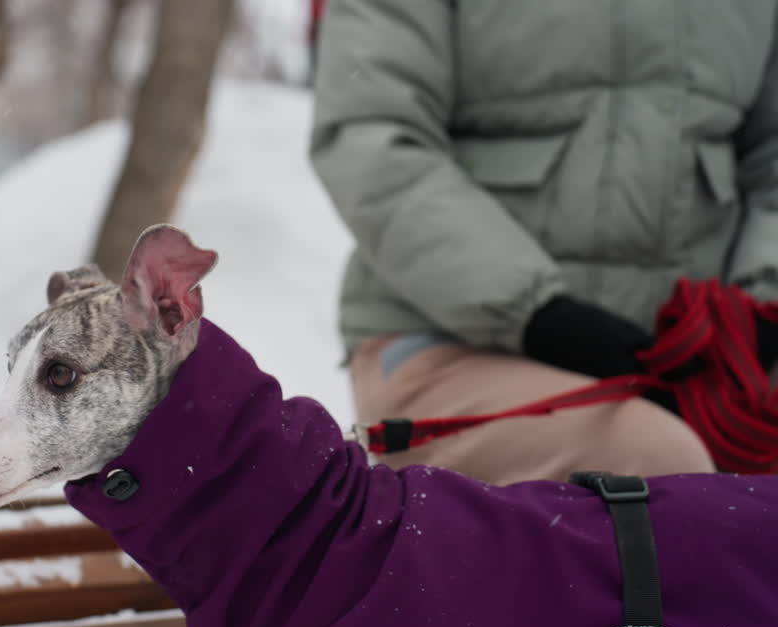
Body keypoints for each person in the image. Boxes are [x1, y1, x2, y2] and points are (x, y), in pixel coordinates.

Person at [308, 0, 778, 485]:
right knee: (656, 470)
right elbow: (372, 137)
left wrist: (761, 310)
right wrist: (535, 313)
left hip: (688, 364)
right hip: (451, 339)